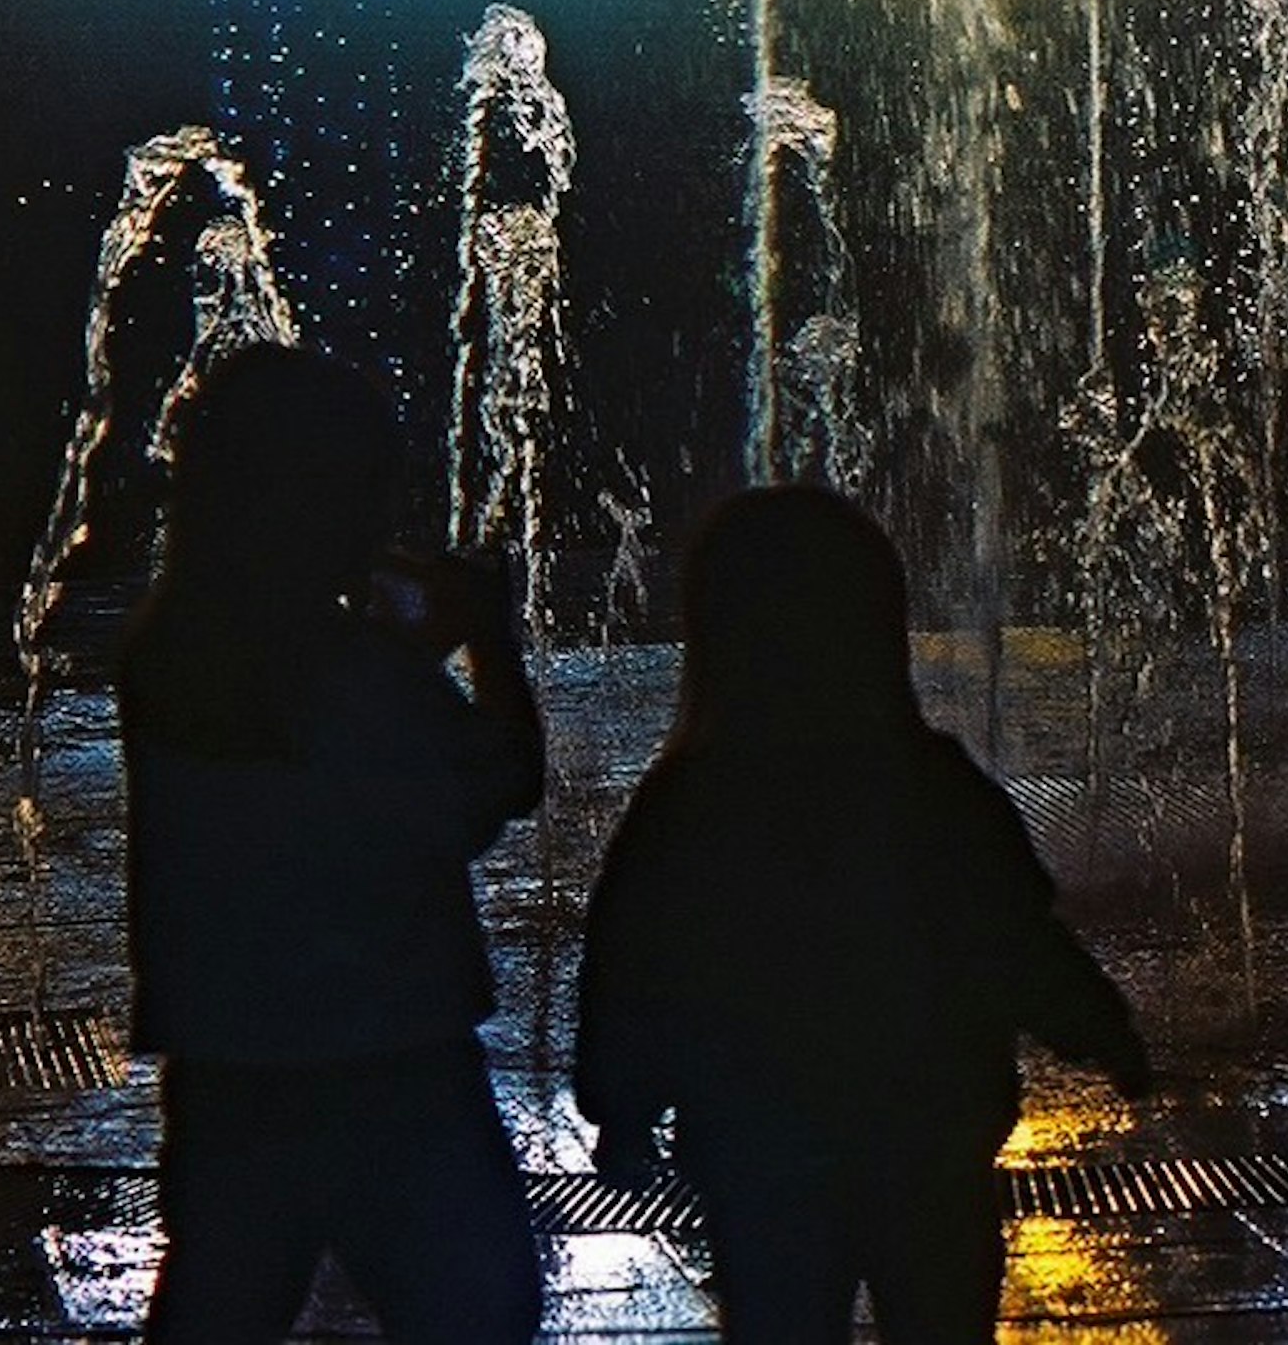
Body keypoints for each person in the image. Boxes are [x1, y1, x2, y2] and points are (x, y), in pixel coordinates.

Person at [574, 483, 1150, 1345]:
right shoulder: (931, 786)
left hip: (759, 1147)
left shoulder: (690, 803)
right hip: (927, 1135)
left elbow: (632, 962)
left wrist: (621, 1104)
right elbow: (1013, 937)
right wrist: (1098, 1024)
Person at [118, 344, 547, 1345]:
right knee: (480, 1306)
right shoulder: (354, 676)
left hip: (229, 1052)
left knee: (221, 1306)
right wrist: (488, 637)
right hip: (390, 1059)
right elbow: (498, 785)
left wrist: (405, 659)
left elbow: (315, 760)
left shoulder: (169, 652)